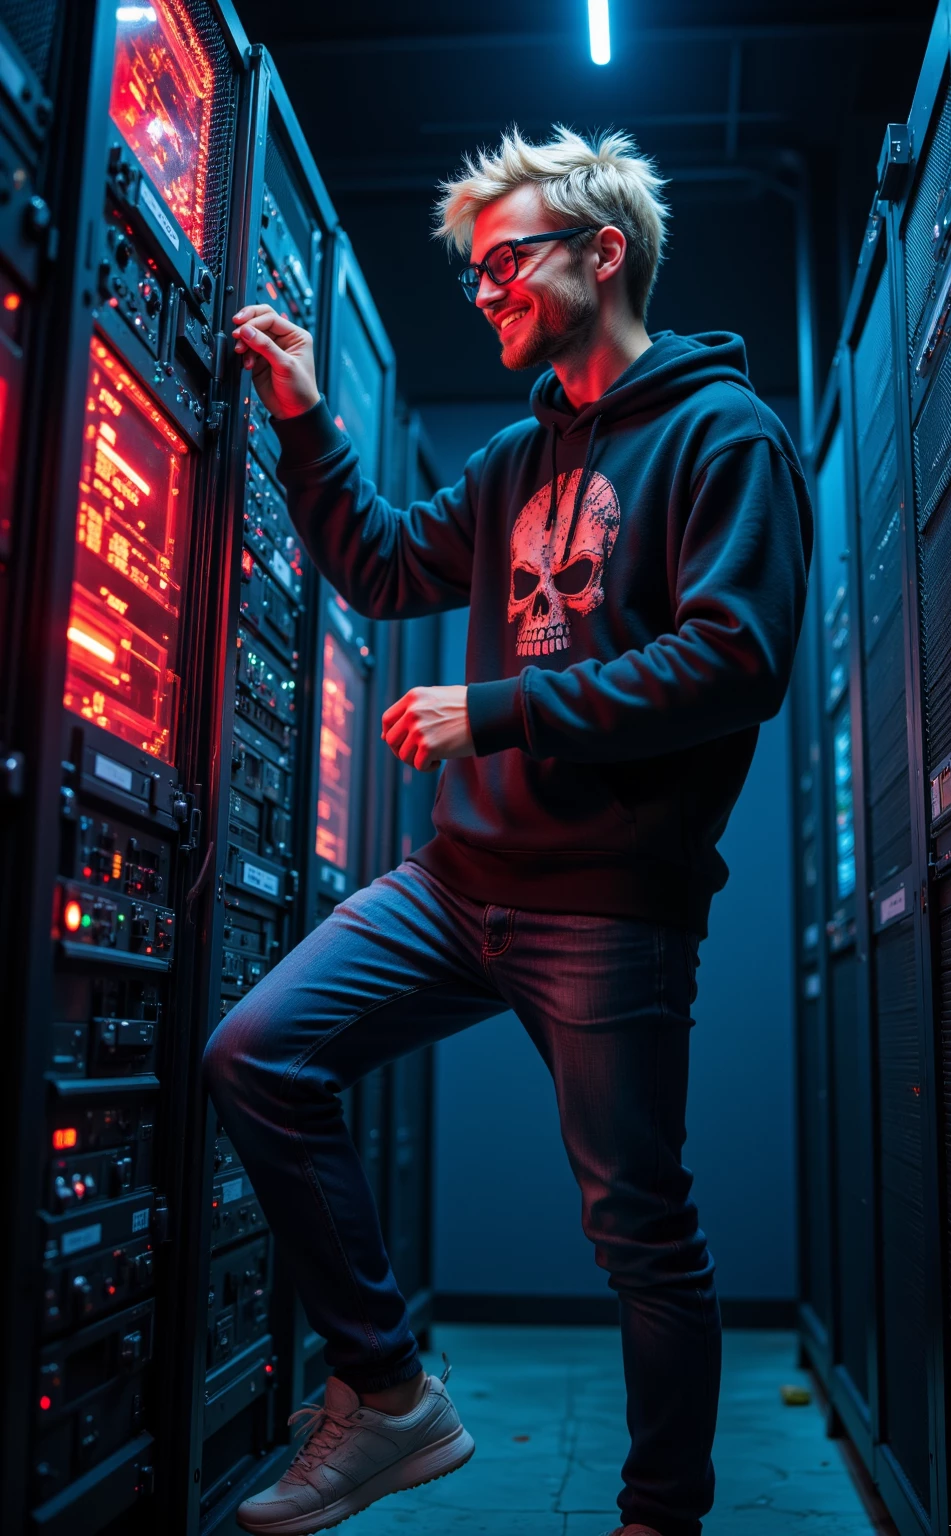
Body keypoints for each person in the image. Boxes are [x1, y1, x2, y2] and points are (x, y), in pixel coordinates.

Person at [205, 124, 813, 1536]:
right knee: (256, 1053)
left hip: (609, 901)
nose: (484, 296)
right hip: (455, 880)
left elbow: (736, 660)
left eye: (503, 266)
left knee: (640, 1233)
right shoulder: (514, 454)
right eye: (473, 277)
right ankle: (391, 1394)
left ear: (604, 254)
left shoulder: (729, 436)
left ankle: (660, 1516)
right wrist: (303, 417)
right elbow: (376, 562)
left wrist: (506, 710)